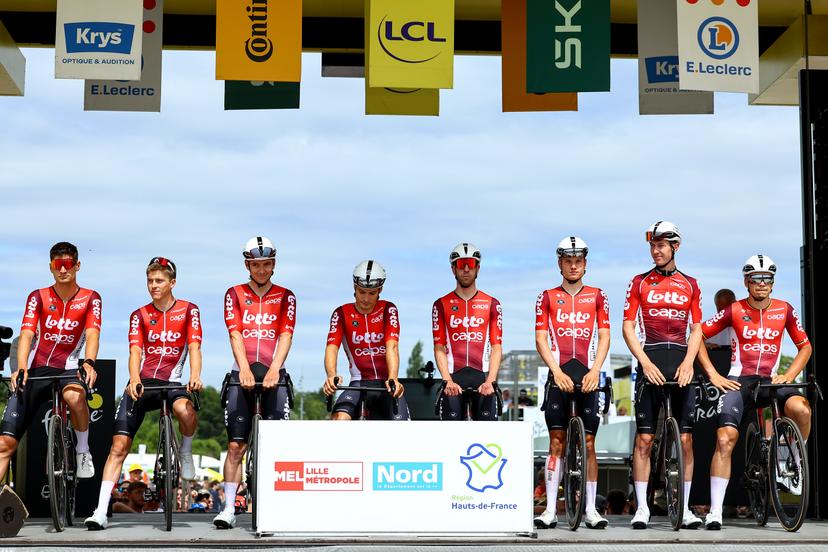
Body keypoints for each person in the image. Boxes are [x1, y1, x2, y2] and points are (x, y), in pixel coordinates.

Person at [85, 257, 203, 530]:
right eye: (150, 280)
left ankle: (185, 450)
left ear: (172, 283)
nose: (153, 286)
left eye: (159, 281)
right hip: (143, 382)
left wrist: (195, 376)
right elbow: (135, 351)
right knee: (118, 446)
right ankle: (100, 510)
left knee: (186, 411)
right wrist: (135, 378)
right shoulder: (139, 314)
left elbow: (194, 347)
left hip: (173, 381)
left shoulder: (189, 310)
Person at [697, 255, 812, 530]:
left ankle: (794, 462)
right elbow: (698, 335)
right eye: (756, 278)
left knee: (802, 409)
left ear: (772, 283)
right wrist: (714, 375)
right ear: (746, 281)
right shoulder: (734, 309)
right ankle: (715, 511)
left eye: (767, 278)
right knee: (725, 438)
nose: (762, 283)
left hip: (772, 379)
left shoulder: (784, 309)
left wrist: (790, 375)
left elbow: (805, 346)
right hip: (741, 380)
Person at [623, 221, 704, 529]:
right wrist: (643, 362)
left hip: (680, 361)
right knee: (645, 439)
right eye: (653, 246)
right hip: (652, 359)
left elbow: (696, 328)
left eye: (661, 245)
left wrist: (688, 363)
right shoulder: (639, 281)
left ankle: (684, 509)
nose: (656, 251)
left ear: (675, 247)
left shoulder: (691, 283)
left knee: (685, 440)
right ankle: (642, 507)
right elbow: (628, 326)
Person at [214, 237, 297, 529]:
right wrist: (245, 369)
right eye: (255, 265)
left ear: (273, 264)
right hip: (243, 371)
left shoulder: (286, 296)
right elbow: (235, 333)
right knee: (236, 446)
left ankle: (277, 505)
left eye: (266, 264)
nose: (261, 270)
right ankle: (227, 508)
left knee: (278, 446)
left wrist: (275, 369)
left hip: (274, 371)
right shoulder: (234, 293)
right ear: (247, 265)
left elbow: (286, 334)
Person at [0, 242, 100, 482]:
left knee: (75, 397)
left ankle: (82, 450)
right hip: (36, 368)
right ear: (51, 267)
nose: (63, 270)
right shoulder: (38, 296)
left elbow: (93, 333)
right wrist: (21, 367)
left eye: (68, 264)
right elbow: (26, 333)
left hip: (68, 368)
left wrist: (89, 362)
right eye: (58, 265)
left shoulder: (90, 298)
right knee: (4, 444)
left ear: (77, 265)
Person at [533, 236, 611, 530]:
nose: (574, 266)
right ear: (560, 264)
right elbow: (541, 338)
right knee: (556, 443)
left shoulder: (598, 295)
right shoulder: (547, 296)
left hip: (588, 375)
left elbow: (604, 335)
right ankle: (550, 510)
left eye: (578, 261)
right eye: (568, 261)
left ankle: (591, 509)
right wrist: (556, 371)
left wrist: (596, 371)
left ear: (585, 264)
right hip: (559, 374)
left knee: (589, 444)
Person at [323, 260, 409, 420]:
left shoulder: (388, 309)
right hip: (358, 382)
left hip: (386, 383)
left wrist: (393, 378)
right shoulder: (341, 313)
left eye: (372, 293)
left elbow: (392, 346)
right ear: (354, 287)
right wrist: (331, 375)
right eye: (362, 292)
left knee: (401, 429)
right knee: (339, 419)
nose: (366, 299)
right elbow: (331, 347)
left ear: (380, 290)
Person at [432, 243, 503, 420]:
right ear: (453, 269)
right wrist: (447, 379)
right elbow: (439, 347)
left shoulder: (492, 304)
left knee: (487, 440)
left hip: (483, 378)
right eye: (460, 264)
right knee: (451, 439)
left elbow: (496, 346)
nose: (465, 269)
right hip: (453, 378)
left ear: (477, 268)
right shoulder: (440, 304)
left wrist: (491, 380)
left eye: (470, 264)